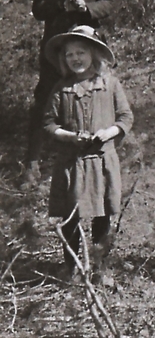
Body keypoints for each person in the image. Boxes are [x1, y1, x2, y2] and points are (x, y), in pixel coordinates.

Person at [25, 0, 116, 188]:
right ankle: (31, 162)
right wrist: (60, 2)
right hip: (58, 47)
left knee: (97, 94)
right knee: (46, 99)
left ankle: (101, 151)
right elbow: (38, 10)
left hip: (89, 43)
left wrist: (85, 7)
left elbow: (108, 3)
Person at [42, 26, 133, 276]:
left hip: (102, 161)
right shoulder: (62, 89)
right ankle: (71, 266)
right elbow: (49, 124)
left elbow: (126, 117)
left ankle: (98, 267)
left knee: (101, 214)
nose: (76, 59)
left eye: (81, 52)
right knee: (71, 216)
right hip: (72, 163)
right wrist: (70, 136)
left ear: (94, 53)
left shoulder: (110, 85)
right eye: (70, 55)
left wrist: (109, 132)